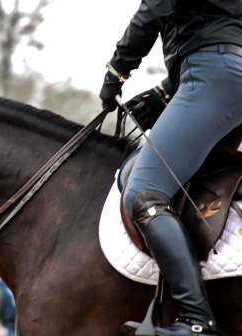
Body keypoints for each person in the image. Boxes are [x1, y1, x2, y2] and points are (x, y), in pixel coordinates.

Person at [99, 1, 242, 335]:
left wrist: (117, 71)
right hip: (227, 74)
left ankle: (196, 319)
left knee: (144, 192)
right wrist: (166, 90)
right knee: (187, 186)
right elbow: (216, 24)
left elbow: (154, 10)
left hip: (210, 76)